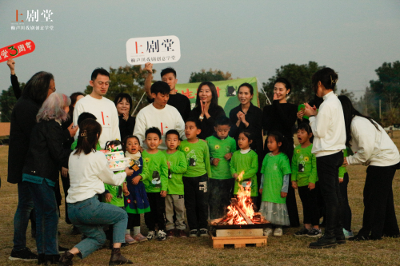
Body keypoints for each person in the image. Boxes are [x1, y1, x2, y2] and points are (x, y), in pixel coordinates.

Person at [58, 119, 134, 266]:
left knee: (98, 237)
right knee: (121, 215)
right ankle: (116, 255)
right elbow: (112, 179)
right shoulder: (97, 156)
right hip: (88, 206)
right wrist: (124, 172)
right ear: (97, 136)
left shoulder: (73, 155)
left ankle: (68, 255)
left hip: (72, 210)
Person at [8, 70, 57, 262]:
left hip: (30, 166)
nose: (53, 92)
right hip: (27, 167)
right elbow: (38, 136)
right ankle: (19, 247)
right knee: (27, 206)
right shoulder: (27, 107)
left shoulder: (30, 104)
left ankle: (43, 244)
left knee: (33, 206)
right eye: (52, 88)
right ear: (41, 88)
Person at [339, 95, 400, 241]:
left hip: (383, 161)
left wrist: (348, 160)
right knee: (384, 197)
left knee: (373, 198)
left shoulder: (357, 123)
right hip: (385, 159)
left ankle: (369, 233)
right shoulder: (355, 122)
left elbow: (366, 152)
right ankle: (391, 230)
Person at [21, 93, 72, 264]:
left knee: (42, 214)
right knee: (50, 213)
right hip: (41, 175)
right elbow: (57, 153)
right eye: (67, 106)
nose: (69, 109)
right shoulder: (53, 126)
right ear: (60, 109)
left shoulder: (42, 124)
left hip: (31, 174)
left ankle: (43, 254)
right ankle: (51, 253)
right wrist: (76, 156)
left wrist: (66, 135)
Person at [304, 67, 346, 249]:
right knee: (334, 194)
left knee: (330, 197)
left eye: (315, 85)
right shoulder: (335, 102)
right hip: (336, 152)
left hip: (327, 154)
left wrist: (311, 117)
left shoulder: (326, 105)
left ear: (320, 84)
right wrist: (315, 115)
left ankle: (329, 236)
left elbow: (318, 132)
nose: (315, 89)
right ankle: (337, 233)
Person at [262, 77, 299, 227]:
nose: (277, 92)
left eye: (280, 89)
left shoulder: (292, 107)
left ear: (287, 91)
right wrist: (274, 105)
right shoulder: (267, 108)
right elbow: (267, 125)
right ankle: (268, 217)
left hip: (286, 146)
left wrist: (277, 104)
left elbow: (287, 124)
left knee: (285, 180)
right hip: (270, 145)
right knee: (270, 178)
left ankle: (290, 219)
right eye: (275, 89)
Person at [179, 118, 211, 237]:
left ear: (198, 131)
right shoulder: (181, 144)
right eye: (186, 127)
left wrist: (209, 176)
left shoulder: (203, 144)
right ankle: (193, 227)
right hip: (187, 178)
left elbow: (207, 161)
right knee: (190, 204)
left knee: (202, 203)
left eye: (191, 128)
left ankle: (203, 227)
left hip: (201, 177)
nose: (187, 130)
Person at [73, 68, 120, 149]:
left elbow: (115, 130)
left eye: (106, 83)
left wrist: (116, 148)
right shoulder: (82, 103)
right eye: (100, 83)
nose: (104, 86)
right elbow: (78, 131)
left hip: (109, 152)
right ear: (92, 83)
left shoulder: (111, 104)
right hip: (89, 152)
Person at [136, 127, 169, 241]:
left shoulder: (161, 155)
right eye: (149, 139)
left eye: (155, 139)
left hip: (158, 189)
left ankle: (161, 230)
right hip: (145, 189)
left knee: (160, 210)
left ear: (160, 141)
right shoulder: (142, 154)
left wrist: (164, 188)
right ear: (145, 141)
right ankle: (150, 229)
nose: (152, 142)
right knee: (148, 211)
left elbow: (165, 173)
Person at [60, 92, 84, 235]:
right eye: (80, 101)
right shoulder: (66, 120)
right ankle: (74, 222)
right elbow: (62, 143)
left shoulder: (85, 118)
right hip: (68, 161)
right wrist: (64, 163)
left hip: (82, 161)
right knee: (70, 190)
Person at [134, 81, 185, 150]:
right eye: (162, 96)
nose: (166, 99)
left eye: (167, 96)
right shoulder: (143, 113)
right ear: (153, 95)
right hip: (150, 153)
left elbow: (182, 131)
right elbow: (139, 135)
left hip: (170, 152)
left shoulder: (173, 111)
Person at [259, 131, 291, 237]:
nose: (269, 144)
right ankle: (268, 226)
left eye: (271, 142)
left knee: (277, 206)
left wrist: (284, 189)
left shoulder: (283, 158)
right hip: (267, 189)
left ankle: (278, 227)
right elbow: (263, 173)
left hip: (277, 189)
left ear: (279, 144)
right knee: (268, 207)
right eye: (267, 142)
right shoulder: (267, 157)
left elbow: (286, 175)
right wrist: (261, 186)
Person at [291, 123, 321, 238]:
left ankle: (316, 228)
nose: (299, 134)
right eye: (298, 132)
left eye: (302, 132)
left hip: (311, 183)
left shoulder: (313, 148)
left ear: (310, 135)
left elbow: (315, 167)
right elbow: (294, 165)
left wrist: (312, 181)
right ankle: (307, 226)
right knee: (305, 205)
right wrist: (294, 180)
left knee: (313, 204)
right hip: (301, 182)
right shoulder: (297, 149)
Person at [206, 116, 237, 219]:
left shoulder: (232, 141)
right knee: (214, 200)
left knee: (226, 200)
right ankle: (214, 221)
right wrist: (212, 160)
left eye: (225, 130)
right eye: (220, 130)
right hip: (214, 176)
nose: (222, 132)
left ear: (229, 129)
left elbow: (236, 155)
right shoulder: (209, 140)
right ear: (215, 129)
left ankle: (226, 220)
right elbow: (205, 156)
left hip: (228, 176)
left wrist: (231, 154)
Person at [122, 135, 150, 243]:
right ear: (125, 147)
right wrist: (124, 185)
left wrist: (140, 176)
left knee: (138, 209)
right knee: (129, 210)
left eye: (135, 143)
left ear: (139, 146)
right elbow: (120, 174)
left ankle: (137, 233)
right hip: (128, 189)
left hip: (139, 189)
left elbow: (146, 172)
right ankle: (127, 234)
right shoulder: (124, 159)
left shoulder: (141, 158)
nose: (133, 145)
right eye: (129, 144)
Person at [229, 82, 263, 165]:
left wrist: (245, 122)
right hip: (238, 152)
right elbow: (230, 134)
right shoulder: (233, 112)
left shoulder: (258, 112)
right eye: (240, 93)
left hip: (254, 152)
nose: (243, 96)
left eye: (246, 93)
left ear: (251, 95)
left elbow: (257, 134)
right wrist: (238, 122)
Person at [163, 130, 188, 238]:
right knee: (168, 210)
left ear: (179, 142)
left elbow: (183, 168)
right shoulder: (162, 154)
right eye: (169, 140)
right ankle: (170, 228)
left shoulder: (181, 154)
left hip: (178, 187)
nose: (171, 142)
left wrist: (170, 168)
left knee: (180, 209)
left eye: (174, 140)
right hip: (166, 188)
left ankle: (181, 228)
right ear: (165, 141)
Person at [230, 130, 259, 205]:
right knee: (238, 209)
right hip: (238, 187)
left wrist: (241, 177)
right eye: (239, 139)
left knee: (249, 208)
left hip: (250, 187)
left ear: (250, 141)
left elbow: (254, 169)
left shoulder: (253, 155)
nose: (240, 141)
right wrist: (234, 173)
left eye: (243, 139)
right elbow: (231, 165)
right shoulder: (235, 154)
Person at [339, 147, 353, 238]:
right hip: (334, 176)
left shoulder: (342, 145)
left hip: (341, 177)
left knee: (343, 202)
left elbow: (342, 161)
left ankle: (347, 229)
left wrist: (340, 175)